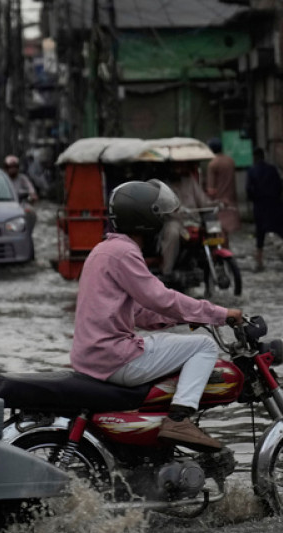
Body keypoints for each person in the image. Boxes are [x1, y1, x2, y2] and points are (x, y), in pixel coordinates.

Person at [70, 180, 244, 451]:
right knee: (205, 346)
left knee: (181, 344)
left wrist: (185, 317)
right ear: (145, 219)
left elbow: (138, 312)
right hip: (114, 357)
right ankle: (179, 418)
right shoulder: (124, 252)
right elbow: (161, 298)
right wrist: (219, 313)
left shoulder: (103, 250)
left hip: (93, 356)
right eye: (159, 215)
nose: (162, 221)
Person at [157, 162, 214, 276]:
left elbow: (202, 200)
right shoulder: (163, 185)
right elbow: (160, 206)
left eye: (181, 167)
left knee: (210, 231)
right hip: (174, 221)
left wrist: (216, 204)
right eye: (176, 167)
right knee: (172, 233)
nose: (179, 170)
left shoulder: (189, 181)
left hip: (193, 220)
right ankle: (167, 270)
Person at [245, 147, 283, 271]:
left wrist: (254, 199)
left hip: (260, 206)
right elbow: (280, 186)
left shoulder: (252, 171)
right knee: (281, 230)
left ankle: (259, 261)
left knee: (260, 234)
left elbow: (249, 190)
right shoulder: (272, 169)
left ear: (254, 158)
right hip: (275, 204)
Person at [204, 138, 241, 246]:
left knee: (219, 231)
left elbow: (211, 189)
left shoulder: (213, 164)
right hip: (231, 200)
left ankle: (221, 253)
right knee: (226, 232)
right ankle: (226, 253)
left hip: (218, 202)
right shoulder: (230, 161)